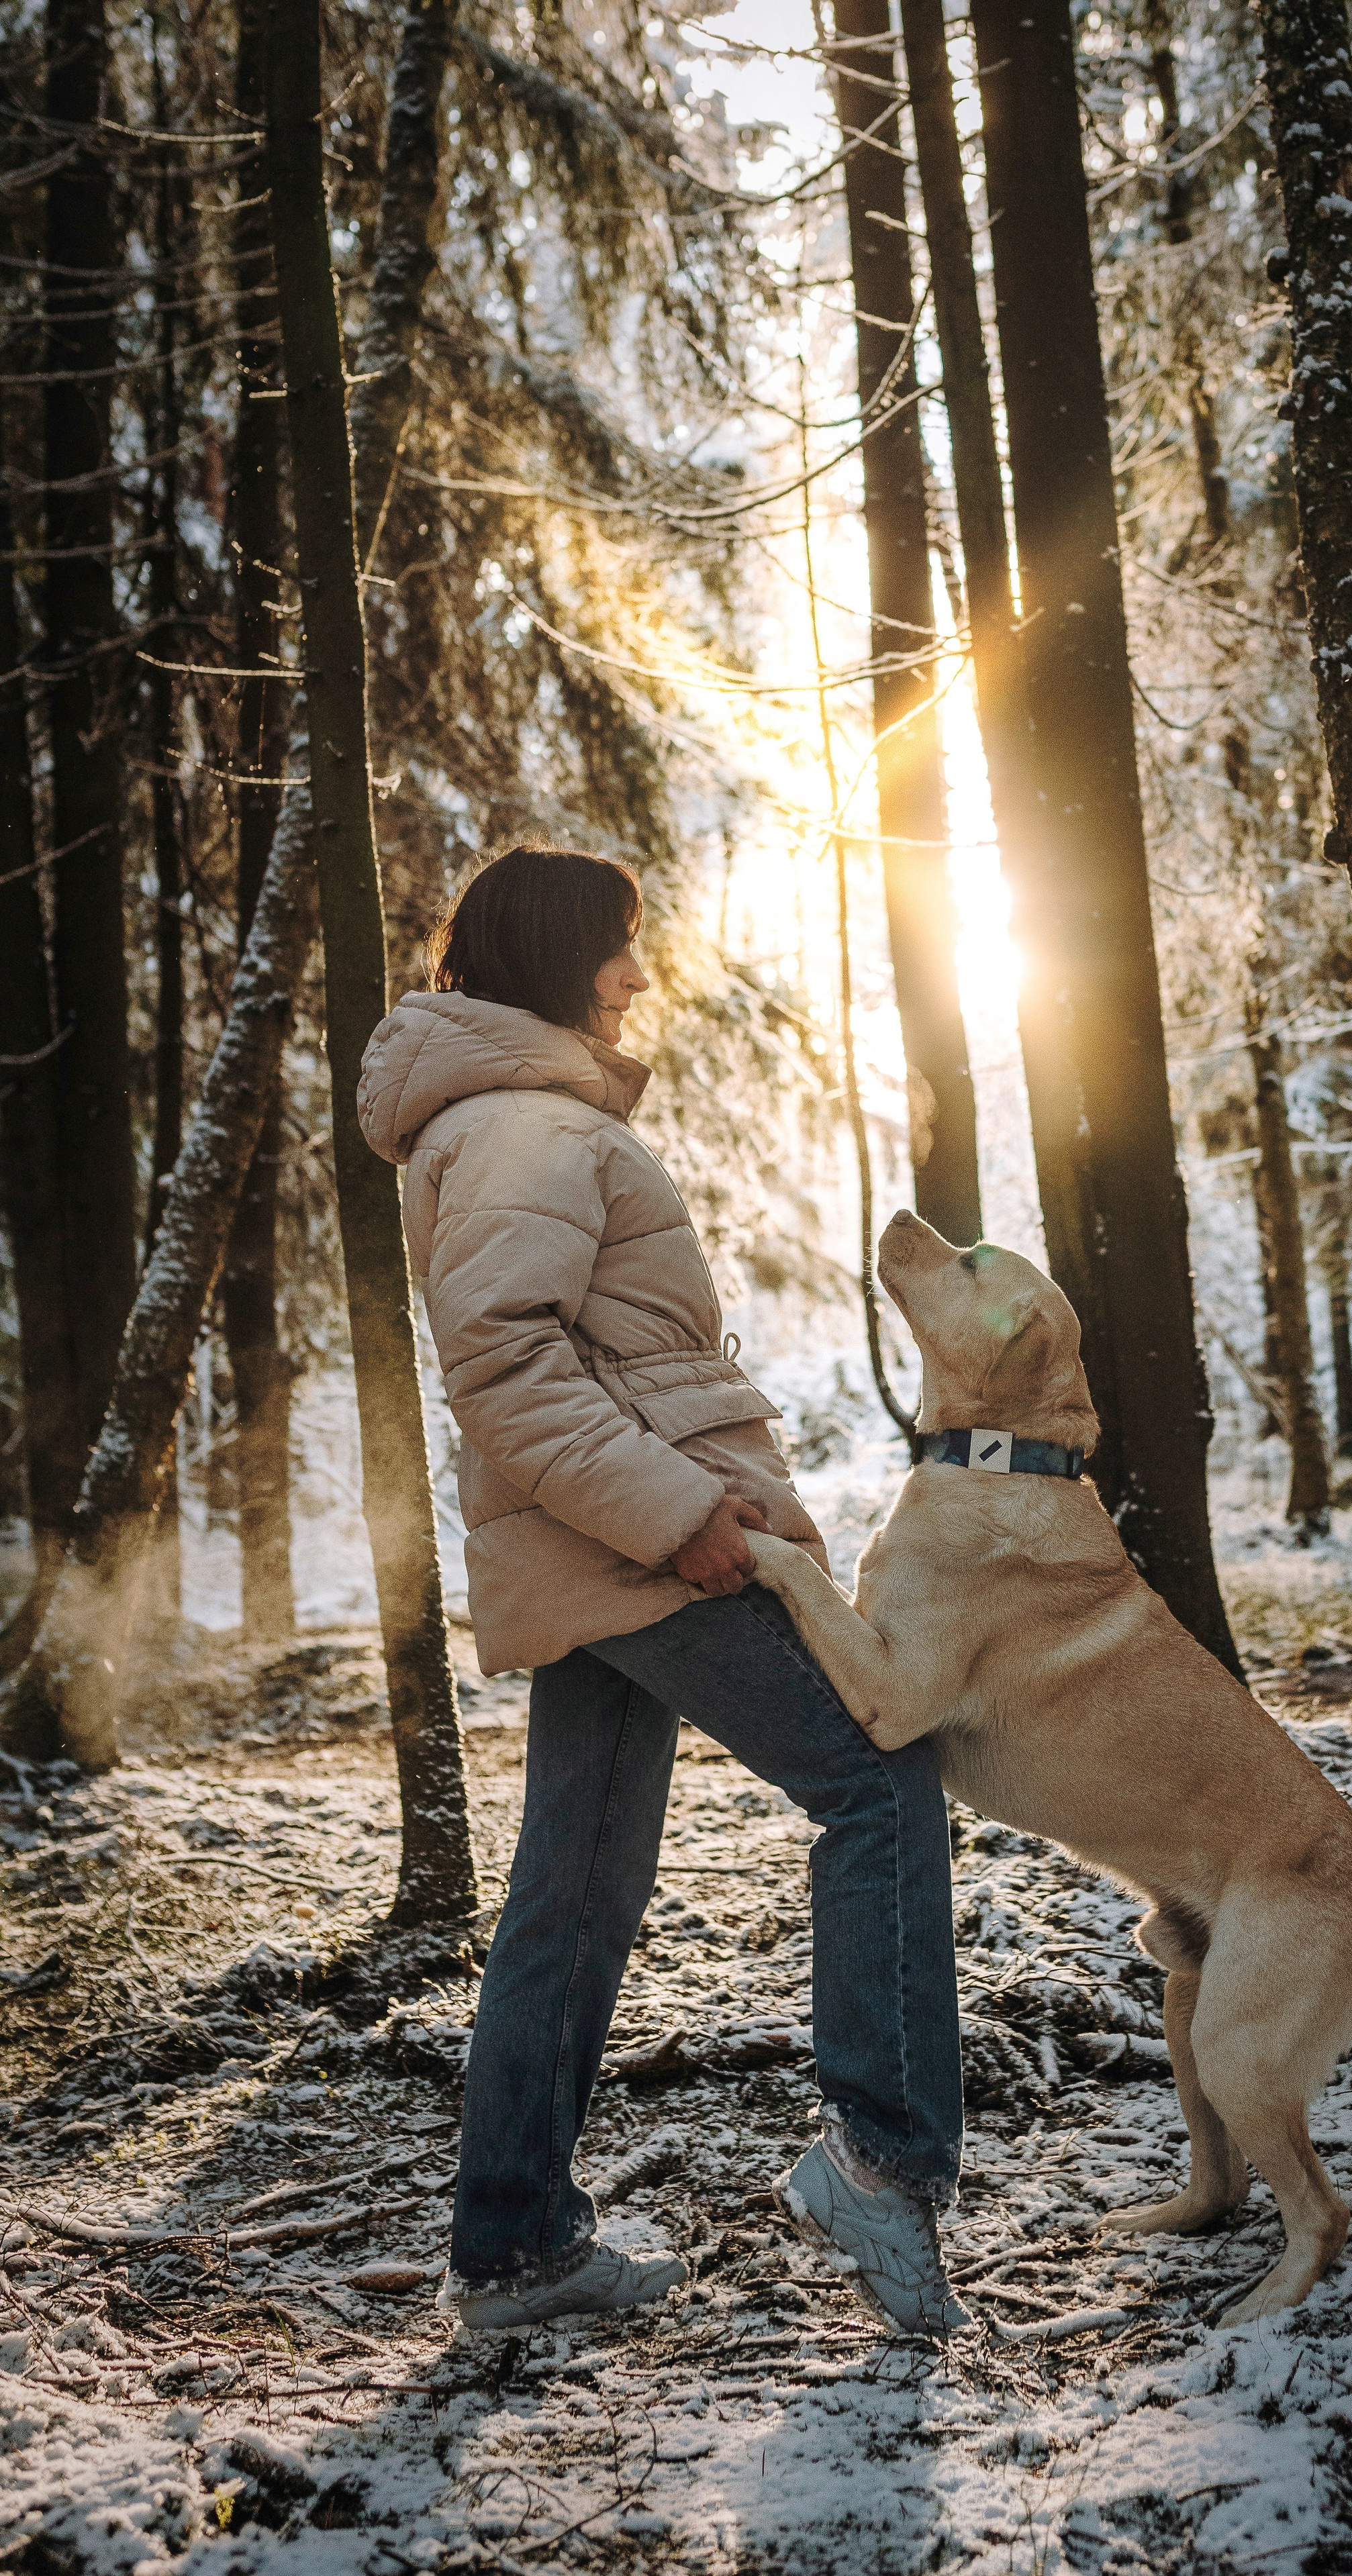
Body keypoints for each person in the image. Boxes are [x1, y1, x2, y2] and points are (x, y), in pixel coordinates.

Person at [356, 843, 968, 2337]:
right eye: (617, 949)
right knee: (880, 1774)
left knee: (569, 1894)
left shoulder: (515, 1116)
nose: (638, 977)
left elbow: (581, 1358)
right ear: (560, 959)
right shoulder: (518, 1126)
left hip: (598, 1547)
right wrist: (683, 1509)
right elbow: (507, 1369)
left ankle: (513, 2249)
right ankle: (881, 2165)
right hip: (638, 1546)